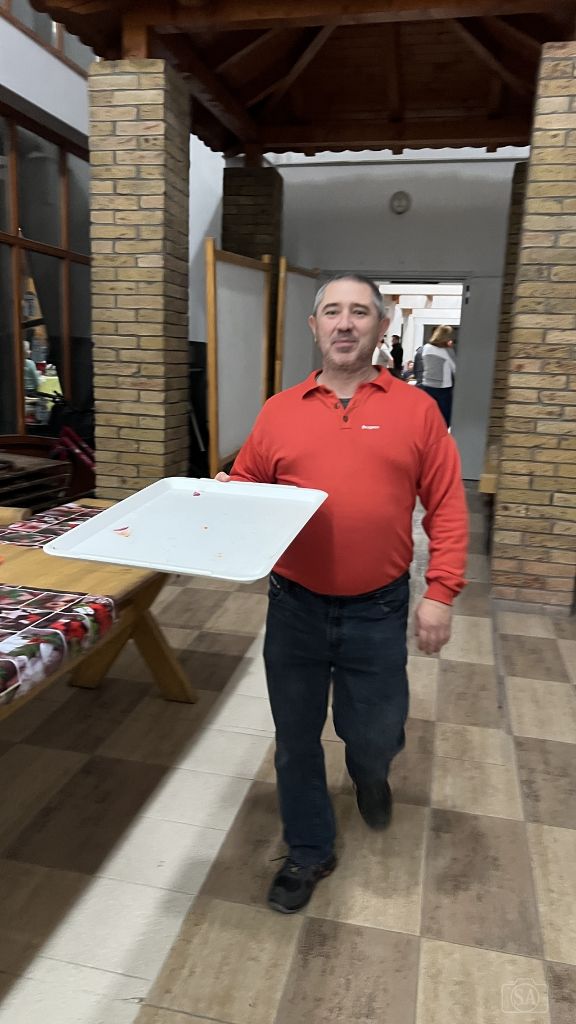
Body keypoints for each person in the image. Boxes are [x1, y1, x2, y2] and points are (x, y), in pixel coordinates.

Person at [216, 274, 468, 915]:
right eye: (333, 312)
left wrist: (440, 591)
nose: (345, 323)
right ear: (315, 326)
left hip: (377, 609)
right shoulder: (280, 410)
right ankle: (309, 849)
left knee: (374, 732)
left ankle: (371, 772)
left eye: (360, 312)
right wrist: (222, 495)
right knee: (296, 737)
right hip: (294, 605)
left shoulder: (417, 411)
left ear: (381, 327)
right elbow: (249, 485)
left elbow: (446, 505)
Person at [420, 324, 456, 427]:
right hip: (443, 388)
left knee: (428, 418)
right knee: (444, 420)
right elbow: (455, 368)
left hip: (426, 386)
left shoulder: (426, 348)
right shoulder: (447, 351)